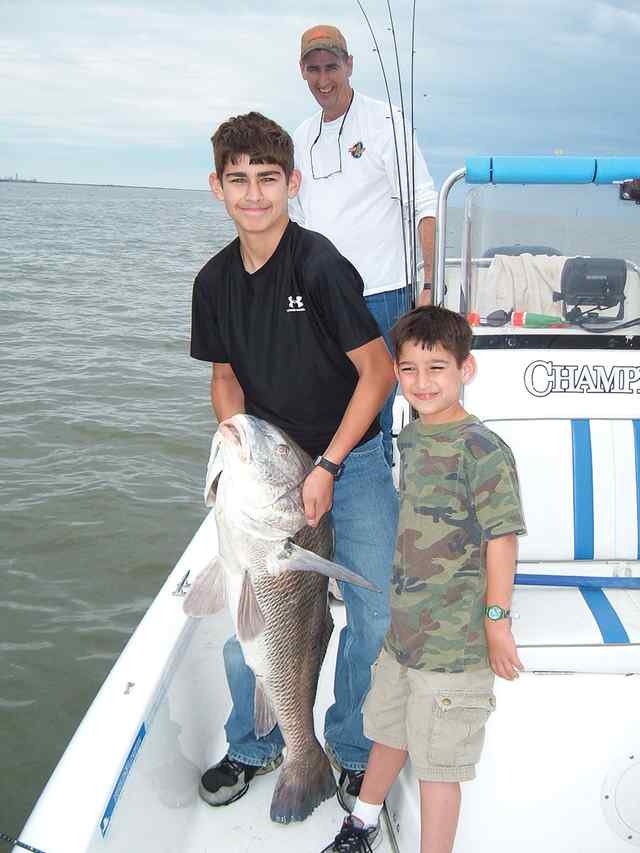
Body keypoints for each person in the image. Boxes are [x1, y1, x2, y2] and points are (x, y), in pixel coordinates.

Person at [190, 112, 399, 814]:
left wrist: (331, 465)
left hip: (352, 458)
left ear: (292, 184)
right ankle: (257, 742)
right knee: (248, 607)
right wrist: (231, 445)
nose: (253, 195)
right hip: (275, 473)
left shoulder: (320, 265)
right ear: (216, 186)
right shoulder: (214, 281)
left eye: (267, 180)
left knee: (374, 608)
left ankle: (348, 740)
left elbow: (379, 374)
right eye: (239, 180)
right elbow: (226, 377)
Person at [320, 306, 527, 852]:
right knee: (386, 732)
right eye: (408, 369)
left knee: (438, 768)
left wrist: (497, 622)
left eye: (437, 368)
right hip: (404, 636)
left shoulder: (482, 449)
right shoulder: (410, 441)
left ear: (467, 369)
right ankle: (360, 825)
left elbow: (501, 538)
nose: (422, 382)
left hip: (454, 646)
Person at [291, 24, 438, 467]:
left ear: (349, 65)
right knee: (328, 405)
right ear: (302, 72)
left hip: (382, 295)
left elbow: (424, 203)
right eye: (313, 69)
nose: (323, 79)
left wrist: (429, 285)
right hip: (320, 300)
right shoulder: (299, 137)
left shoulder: (385, 121)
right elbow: (295, 222)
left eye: (331, 66)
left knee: (375, 410)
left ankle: (382, 500)